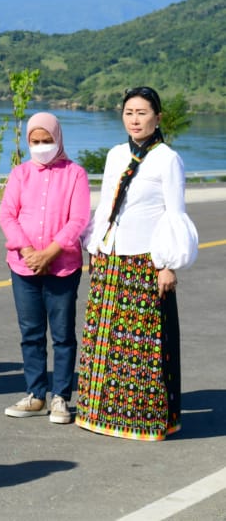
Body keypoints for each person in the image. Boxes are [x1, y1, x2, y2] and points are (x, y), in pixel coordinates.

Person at [77, 86, 198, 441]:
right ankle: (99, 414)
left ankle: (142, 420)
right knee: (103, 339)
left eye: (142, 113)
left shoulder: (167, 159)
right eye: (129, 112)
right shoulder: (116, 155)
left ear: (157, 118)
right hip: (110, 257)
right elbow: (106, 206)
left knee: (141, 344)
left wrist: (167, 264)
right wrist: (95, 245)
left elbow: (174, 213)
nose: (135, 119)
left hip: (144, 260)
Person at [0, 112, 91, 424]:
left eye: (46, 140)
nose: (41, 146)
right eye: (35, 142)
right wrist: (27, 251)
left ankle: (61, 396)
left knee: (63, 334)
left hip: (62, 266)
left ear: (58, 138)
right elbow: (7, 215)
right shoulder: (20, 174)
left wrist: (50, 252)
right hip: (23, 266)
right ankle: (36, 394)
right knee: (31, 333)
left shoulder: (75, 174)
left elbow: (79, 219)